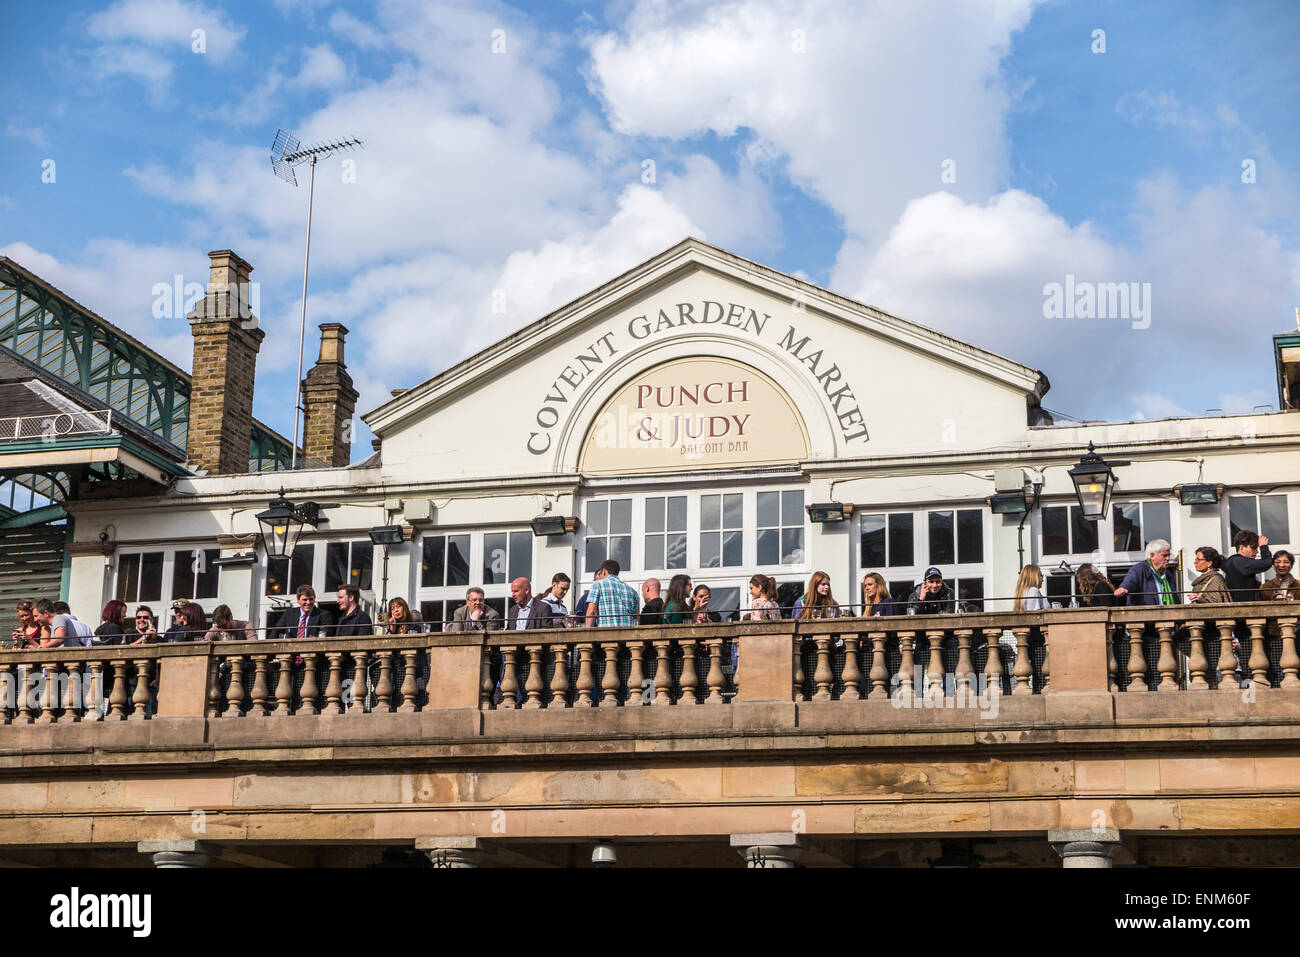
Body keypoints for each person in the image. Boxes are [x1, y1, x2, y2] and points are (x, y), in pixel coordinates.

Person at [1114, 539, 1179, 606]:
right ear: (1152, 556)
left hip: (1169, 615)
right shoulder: (1139, 570)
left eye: (1169, 555)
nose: (1168, 558)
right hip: (1146, 615)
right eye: (1164, 555)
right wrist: (1123, 588)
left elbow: (1175, 598)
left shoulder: (1168, 574)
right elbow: (1130, 581)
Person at [1221, 530, 1273, 602]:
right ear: (1242, 548)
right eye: (1253, 548)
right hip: (1245, 609)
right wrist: (1263, 547)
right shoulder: (1239, 562)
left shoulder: (1235, 562)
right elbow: (1266, 563)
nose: (1257, 551)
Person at [584, 559, 639, 627]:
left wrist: (588, 633)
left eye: (600, 573)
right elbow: (637, 618)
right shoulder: (633, 591)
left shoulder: (598, 585)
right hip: (629, 634)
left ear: (604, 571)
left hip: (607, 634)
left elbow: (591, 612)